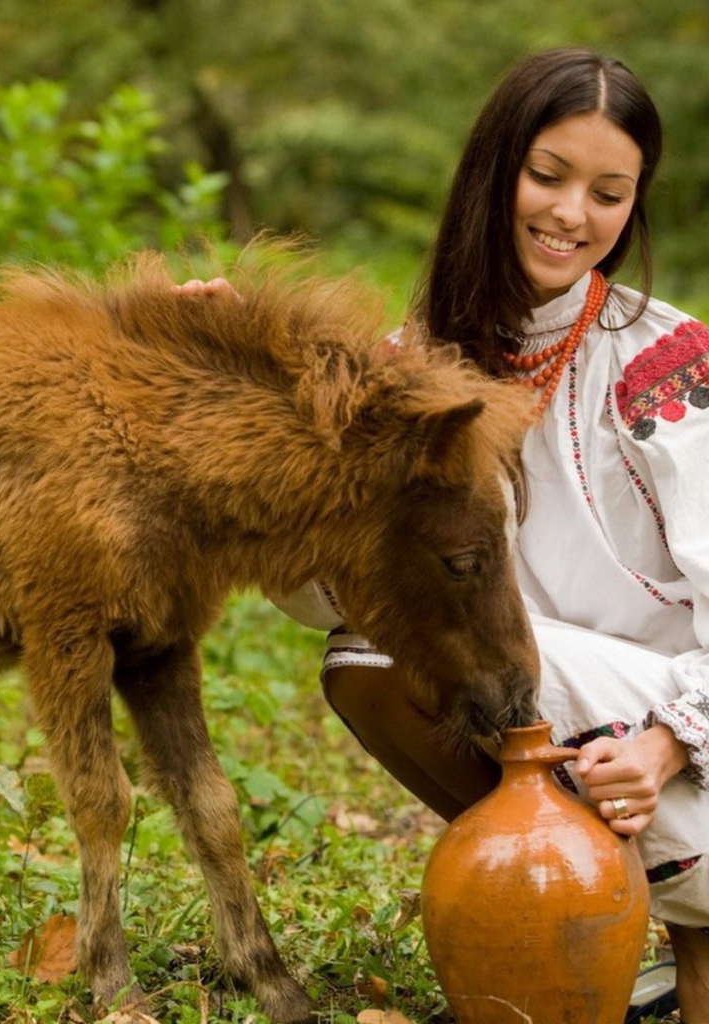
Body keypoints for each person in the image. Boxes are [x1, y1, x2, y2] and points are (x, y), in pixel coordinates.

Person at [182, 47, 709, 1022]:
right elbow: (328, 592)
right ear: (492, 169)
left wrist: (674, 744)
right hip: (559, 713)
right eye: (545, 176)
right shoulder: (416, 364)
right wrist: (256, 400)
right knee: (372, 654)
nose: (569, 214)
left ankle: (675, 927)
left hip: (680, 724)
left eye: (607, 192)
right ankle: (576, 918)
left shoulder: (661, 360)